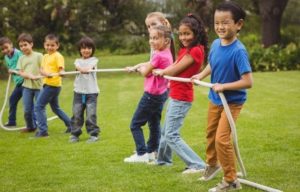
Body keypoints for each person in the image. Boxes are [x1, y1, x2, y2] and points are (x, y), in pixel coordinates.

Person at [191, 2, 253, 191]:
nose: (220, 27)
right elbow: (212, 64)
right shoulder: (217, 44)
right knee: (210, 134)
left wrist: (224, 86)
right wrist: (200, 75)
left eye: (225, 22)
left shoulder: (238, 51)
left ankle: (231, 181)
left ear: (238, 24)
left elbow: (248, 81)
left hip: (231, 102)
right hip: (215, 99)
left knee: (222, 138)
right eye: (217, 23)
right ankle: (212, 164)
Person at [152, 13, 207, 174]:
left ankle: (197, 165)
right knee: (165, 131)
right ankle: (163, 161)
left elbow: (175, 69)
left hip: (182, 97)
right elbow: (175, 62)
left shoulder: (196, 51)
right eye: (181, 34)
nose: (184, 37)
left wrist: (162, 72)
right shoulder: (186, 49)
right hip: (175, 94)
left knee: (171, 134)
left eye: (187, 33)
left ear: (196, 34)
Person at [124, 25, 174, 163]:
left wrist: (139, 70)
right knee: (154, 124)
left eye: (156, 38)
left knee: (135, 124)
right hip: (161, 95)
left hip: (151, 96)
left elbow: (146, 72)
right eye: (151, 38)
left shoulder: (158, 55)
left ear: (166, 41)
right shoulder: (166, 53)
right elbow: (149, 63)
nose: (152, 41)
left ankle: (141, 154)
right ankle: (152, 151)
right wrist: (136, 66)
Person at [34, 34, 72, 137]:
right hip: (47, 84)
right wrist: (45, 73)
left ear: (57, 46)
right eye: (48, 45)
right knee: (55, 108)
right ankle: (71, 125)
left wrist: (62, 72)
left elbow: (61, 69)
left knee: (38, 106)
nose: (50, 47)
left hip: (53, 85)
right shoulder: (45, 56)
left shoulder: (58, 56)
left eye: (52, 45)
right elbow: (41, 69)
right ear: (44, 45)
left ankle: (43, 131)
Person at [69, 36, 100, 143]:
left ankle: (94, 134)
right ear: (80, 50)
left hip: (92, 93)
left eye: (89, 48)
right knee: (76, 114)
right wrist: (81, 69)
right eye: (83, 48)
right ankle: (74, 134)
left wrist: (85, 70)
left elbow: (90, 68)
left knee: (91, 115)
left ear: (92, 50)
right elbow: (78, 67)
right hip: (78, 92)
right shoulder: (77, 61)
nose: (86, 50)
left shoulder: (94, 60)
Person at [16, 33, 43, 133]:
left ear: (31, 44)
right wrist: (30, 76)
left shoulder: (39, 56)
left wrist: (39, 74)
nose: (23, 48)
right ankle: (30, 126)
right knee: (27, 110)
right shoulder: (21, 58)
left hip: (39, 87)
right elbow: (20, 72)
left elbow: (43, 68)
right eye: (21, 46)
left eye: (25, 45)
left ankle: (42, 128)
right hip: (26, 87)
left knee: (39, 108)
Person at [0, 37, 23, 127]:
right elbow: (11, 67)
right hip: (18, 83)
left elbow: (23, 65)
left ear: (11, 45)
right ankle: (12, 121)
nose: (5, 50)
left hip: (25, 81)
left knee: (28, 104)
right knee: (12, 99)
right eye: (2, 49)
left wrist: (14, 70)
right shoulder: (6, 57)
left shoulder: (19, 54)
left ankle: (34, 122)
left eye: (6, 47)